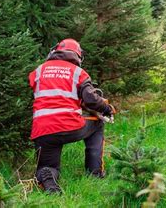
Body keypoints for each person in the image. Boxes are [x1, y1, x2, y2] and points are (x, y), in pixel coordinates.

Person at [29, 38, 115, 194]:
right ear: (78, 56)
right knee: (97, 124)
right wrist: (107, 108)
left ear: (54, 52)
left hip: (43, 130)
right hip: (70, 126)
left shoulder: (38, 71)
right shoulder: (78, 73)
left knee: (48, 166)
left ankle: (49, 181)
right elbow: (90, 100)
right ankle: (95, 173)